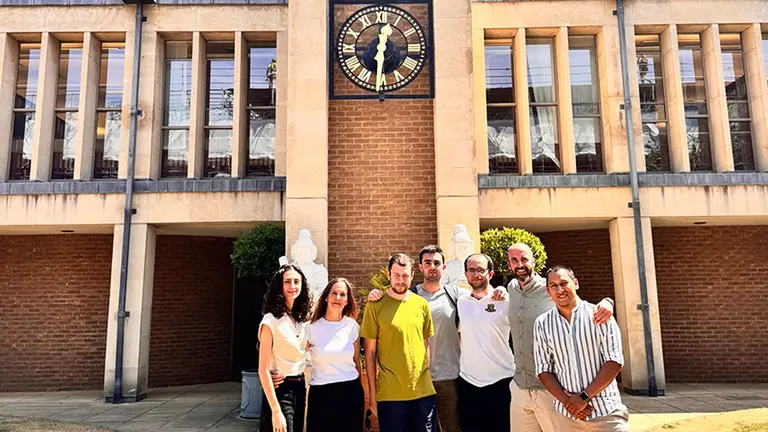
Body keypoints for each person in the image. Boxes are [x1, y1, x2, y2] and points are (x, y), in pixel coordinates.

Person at [367, 245, 507, 432]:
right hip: (417, 382)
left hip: (449, 376)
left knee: (451, 428)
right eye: (427, 263)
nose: (432, 266)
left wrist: (500, 290)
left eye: (436, 263)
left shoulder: (457, 295)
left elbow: (481, 295)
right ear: (420, 268)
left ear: (444, 267)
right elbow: (391, 302)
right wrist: (376, 293)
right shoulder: (410, 296)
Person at [507, 243, 615, 432]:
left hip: (550, 390)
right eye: (514, 260)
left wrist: (608, 302)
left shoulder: (550, 288)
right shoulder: (511, 288)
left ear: (534, 261)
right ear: (509, 265)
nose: (520, 264)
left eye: (524, 259)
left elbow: (577, 304)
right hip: (520, 387)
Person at [534, 265, 629, 432]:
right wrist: (569, 403)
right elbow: (543, 369)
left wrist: (584, 397)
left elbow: (614, 361)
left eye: (564, 283)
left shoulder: (600, 315)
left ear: (576, 283)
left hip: (606, 412)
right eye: (553, 286)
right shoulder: (542, 323)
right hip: (567, 417)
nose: (560, 290)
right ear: (548, 291)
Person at [361, 253, 437, 432]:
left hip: (423, 393)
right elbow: (369, 354)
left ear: (412, 276)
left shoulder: (422, 305)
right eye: (396, 275)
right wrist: (372, 397)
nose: (401, 281)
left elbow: (425, 346)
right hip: (390, 396)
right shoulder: (375, 306)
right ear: (388, 275)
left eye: (405, 276)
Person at [456, 253, 515, 432]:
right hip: (469, 383)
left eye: (480, 270)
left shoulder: (505, 300)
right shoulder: (461, 302)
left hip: (501, 381)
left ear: (490, 274)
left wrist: (503, 289)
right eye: (471, 270)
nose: (476, 274)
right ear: (465, 274)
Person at [258, 264, 313, 432]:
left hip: (300, 388)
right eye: (287, 281)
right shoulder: (270, 321)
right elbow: (263, 369)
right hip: (280, 391)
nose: (292, 286)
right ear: (279, 286)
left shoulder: (301, 320)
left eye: (296, 281)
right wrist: (276, 411)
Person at [306, 277, 365, 432]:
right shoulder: (311, 328)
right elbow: (295, 356)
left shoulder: (352, 326)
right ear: (326, 297)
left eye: (342, 294)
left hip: (350, 392)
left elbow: (356, 361)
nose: (338, 298)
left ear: (347, 301)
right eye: (334, 293)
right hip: (321, 395)